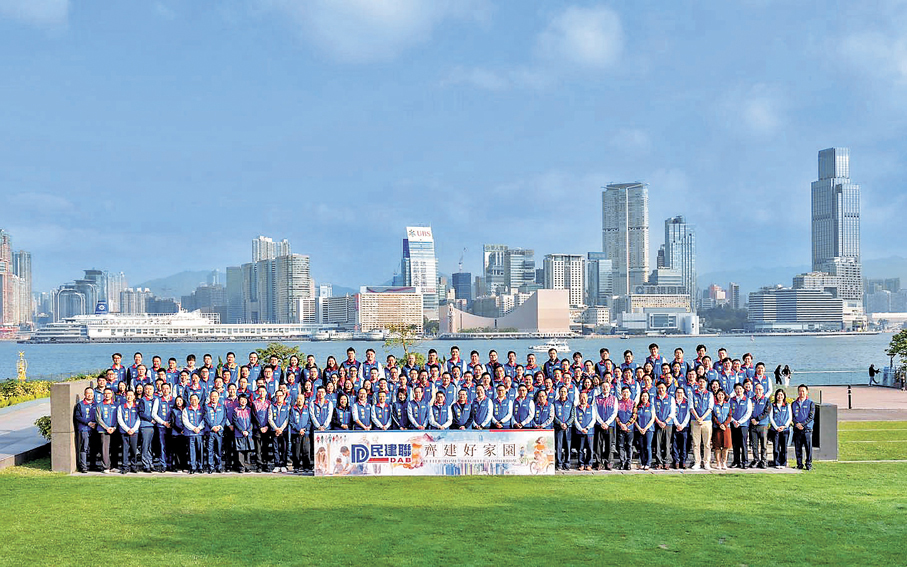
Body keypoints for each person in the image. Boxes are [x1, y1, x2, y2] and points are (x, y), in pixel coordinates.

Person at [690, 376, 714, 470]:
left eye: (703, 382)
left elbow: (710, 407)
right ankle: (697, 462)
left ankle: (706, 462)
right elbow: (691, 407)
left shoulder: (709, 394)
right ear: (697, 382)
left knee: (707, 443)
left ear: (706, 383)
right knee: (696, 443)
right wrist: (697, 418)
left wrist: (702, 418)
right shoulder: (692, 393)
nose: (701, 383)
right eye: (700, 381)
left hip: (706, 421)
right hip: (695, 421)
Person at [593, 382, 617, 470]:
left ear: (610, 387)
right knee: (598, 445)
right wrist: (601, 422)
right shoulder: (596, 398)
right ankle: (599, 462)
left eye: (607, 386)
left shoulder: (614, 399)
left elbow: (615, 412)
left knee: (609, 444)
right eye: (603, 387)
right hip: (599, 424)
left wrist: (607, 423)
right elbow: (595, 411)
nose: (605, 388)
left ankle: (608, 462)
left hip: (610, 425)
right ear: (601, 388)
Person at [652, 382, 676, 470]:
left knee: (667, 443)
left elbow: (672, 412)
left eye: (662, 388)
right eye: (659, 388)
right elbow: (653, 412)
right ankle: (659, 462)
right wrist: (658, 422)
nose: (661, 390)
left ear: (666, 388)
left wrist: (665, 422)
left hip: (668, 424)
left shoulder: (671, 398)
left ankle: (667, 462)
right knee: (657, 444)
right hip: (657, 424)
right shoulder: (654, 399)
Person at [791, 384, 815, 470]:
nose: (801, 393)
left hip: (807, 429)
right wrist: (797, 423)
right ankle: (799, 465)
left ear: (807, 392)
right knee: (798, 448)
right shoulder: (794, 403)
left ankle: (808, 464)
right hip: (797, 429)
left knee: (808, 448)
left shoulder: (811, 403)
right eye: (800, 391)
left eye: (803, 391)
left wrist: (803, 424)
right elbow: (792, 416)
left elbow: (811, 416)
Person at [94, 387, 118, 473]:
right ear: (103, 395)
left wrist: (114, 427)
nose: (107, 395)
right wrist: (107, 428)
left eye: (109, 393)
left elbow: (118, 418)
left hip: (114, 430)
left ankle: (114, 466)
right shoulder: (99, 405)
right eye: (105, 393)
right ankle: (106, 467)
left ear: (112, 394)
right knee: (105, 449)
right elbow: (98, 419)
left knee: (114, 448)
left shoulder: (116, 405)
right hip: (103, 430)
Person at [729, 383, 752, 468]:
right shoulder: (731, 400)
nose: (739, 391)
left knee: (743, 444)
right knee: (735, 444)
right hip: (734, 424)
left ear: (743, 390)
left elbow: (748, 413)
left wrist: (740, 422)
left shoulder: (747, 400)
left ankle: (745, 462)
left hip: (743, 425)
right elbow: (729, 412)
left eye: (740, 389)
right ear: (734, 391)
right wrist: (734, 421)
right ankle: (736, 461)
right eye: (737, 389)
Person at [152, 384, 174, 472]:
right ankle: (163, 465)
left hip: (172, 427)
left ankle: (170, 464)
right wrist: (164, 423)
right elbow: (154, 414)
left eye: (167, 388)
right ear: (161, 390)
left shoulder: (174, 399)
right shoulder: (158, 400)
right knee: (163, 446)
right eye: (163, 388)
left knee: (171, 446)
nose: (165, 390)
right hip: (162, 426)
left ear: (170, 389)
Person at [748, 382, 771, 468]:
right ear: (754, 390)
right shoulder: (750, 400)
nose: (758, 391)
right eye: (757, 389)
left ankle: (764, 461)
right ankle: (756, 460)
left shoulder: (767, 400)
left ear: (763, 390)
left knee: (764, 445)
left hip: (763, 425)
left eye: (760, 389)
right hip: (753, 425)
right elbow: (748, 411)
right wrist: (752, 419)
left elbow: (766, 412)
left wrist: (757, 419)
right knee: (754, 445)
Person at [73, 387, 96, 473]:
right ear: (85, 394)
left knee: (94, 448)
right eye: (88, 393)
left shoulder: (96, 404)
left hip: (94, 429)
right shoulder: (80, 404)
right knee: (84, 448)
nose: (89, 395)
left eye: (91, 393)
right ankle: (83, 467)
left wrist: (95, 424)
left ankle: (93, 466)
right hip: (84, 429)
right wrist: (88, 423)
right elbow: (77, 416)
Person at [117, 390, 140, 473]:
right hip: (124, 432)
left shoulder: (137, 407)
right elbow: (120, 419)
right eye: (128, 395)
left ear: (134, 397)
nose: (129, 397)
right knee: (125, 449)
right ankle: (125, 467)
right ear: (125, 396)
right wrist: (127, 429)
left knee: (134, 450)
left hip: (134, 432)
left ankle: (134, 466)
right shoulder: (121, 407)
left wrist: (133, 429)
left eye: (131, 395)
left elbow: (138, 419)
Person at [182, 394, 206, 474]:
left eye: (195, 399)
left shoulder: (202, 409)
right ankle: (192, 467)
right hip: (190, 433)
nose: (194, 401)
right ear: (189, 400)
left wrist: (199, 428)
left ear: (199, 400)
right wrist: (193, 428)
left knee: (200, 450)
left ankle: (200, 467)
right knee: (191, 451)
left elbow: (204, 420)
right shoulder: (186, 410)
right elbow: (185, 421)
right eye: (192, 399)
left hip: (199, 433)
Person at [136, 384, 157, 473]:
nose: (148, 391)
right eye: (147, 389)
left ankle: (150, 463)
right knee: (145, 446)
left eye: (150, 389)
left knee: (149, 447)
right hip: (146, 425)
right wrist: (151, 419)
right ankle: (145, 465)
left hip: (153, 426)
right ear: (144, 390)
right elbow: (141, 413)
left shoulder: (155, 400)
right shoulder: (142, 400)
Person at [553, 385, 575, 470]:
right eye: (561, 391)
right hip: (558, 427)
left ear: (567, 393)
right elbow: (553, 416)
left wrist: (567, 424)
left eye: (564, 392)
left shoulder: (570, 403)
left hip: (568, 428)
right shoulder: (555, 403)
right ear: (558, 393)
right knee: (559, 446)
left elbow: (573, 416)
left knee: (568, 446)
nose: (563, 393)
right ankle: (559, 463)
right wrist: (560, 423)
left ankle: (567, 463)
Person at [289, 394, 312, 473]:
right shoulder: (293, 409)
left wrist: (304, 429)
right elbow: (291, 422)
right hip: (296, 433)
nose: (300, 400)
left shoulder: (307, 409)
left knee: (306, 451)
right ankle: (296, 467)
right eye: (298, 399)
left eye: (301, 399)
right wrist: (299, 430)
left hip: (306, 433)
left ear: (304, 400)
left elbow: (309, 421)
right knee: (296, 451)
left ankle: (306, 467)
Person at [252, 386, 273, 472]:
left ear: (266, 392)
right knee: (258, 448)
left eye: (263, 391)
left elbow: (270, 416)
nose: (261, 393)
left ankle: (266, 464)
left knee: (265, 447)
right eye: (260, 391)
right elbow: (254, 416)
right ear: (257, 392)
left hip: (267, 428)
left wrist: (267, 426)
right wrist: (260, 427)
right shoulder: (254, 403)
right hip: (258, 428)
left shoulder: (269, 403)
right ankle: (259, 465)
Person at [770, 389, 792, 469]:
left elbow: (790, 418)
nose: (780, 396)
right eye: (778, 395)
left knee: (784, 447)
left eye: (781, 395)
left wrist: (784, 426)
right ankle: (776, 463)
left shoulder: (787, 405)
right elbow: (771, 417)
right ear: (776, 396)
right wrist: (776, 427)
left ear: (784, 396)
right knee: (776, 447)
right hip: (775, 430)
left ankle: (783, 463)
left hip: (785, 430)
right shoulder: (773, 405)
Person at [204, 391, 226, 473]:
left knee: (219, 450)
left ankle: (219, 466)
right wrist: (212, 427)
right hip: (210, 431)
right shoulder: (206, 406)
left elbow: (224, 418)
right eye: (212, 396)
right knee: (210, 450)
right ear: (210, 397)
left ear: (219, 397)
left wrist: (220, 426)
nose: (214, 398)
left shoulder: (222, 406)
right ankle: (210, 467)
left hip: (219, 432)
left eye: (216, 396)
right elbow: (206, 418)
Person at [615, 386, 636, 471]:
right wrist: (621, 424)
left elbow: (634, 416)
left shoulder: (633, 403)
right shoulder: (618, 402)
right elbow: (615, 415)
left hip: (629, 428)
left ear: (630, 394)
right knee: (620, 446)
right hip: (620, 428)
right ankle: (622, 462)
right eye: (624, 392)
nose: (625, 394)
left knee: (629, 445)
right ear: (621, 393)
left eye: (627, 392)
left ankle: (629, 462)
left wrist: (626, 425)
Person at [232, 395, 254, 473]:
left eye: (244, 400)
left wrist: (248, 431)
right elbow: (235, 422)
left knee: (248, 450)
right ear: (238, 401)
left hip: (248, 433)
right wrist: (242, 431)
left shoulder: (249, 410)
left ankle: (248, 466)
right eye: (241, 400)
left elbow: (252, 421)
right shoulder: (235, 410)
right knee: (240, 451)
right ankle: (241, 467)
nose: (243, 401)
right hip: (239, 433)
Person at [711, 389, 732, 470]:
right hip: (717, 428)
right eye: (719, 395)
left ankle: (724, 462)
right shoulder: (714, 405)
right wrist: (719, 424)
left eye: (722, 395)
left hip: (726, 428)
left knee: (726, 446)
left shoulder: (728, 404)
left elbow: (730, 416)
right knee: (717, 447)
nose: (720, 396)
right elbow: (713, 416)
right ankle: (718, 463)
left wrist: (725, 424)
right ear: (716, 396)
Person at [574, 391, 595, 471]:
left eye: (584, 397)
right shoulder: (576, 408)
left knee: (590, 449)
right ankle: (581, 464)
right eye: (581, 397)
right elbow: (575, 420)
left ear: (587, 398)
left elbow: (593, 419)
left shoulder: (592, 407)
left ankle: (589, 464)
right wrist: (581, 429)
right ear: (579, 399)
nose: (583, 399)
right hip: (580, 432)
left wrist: (587, 428)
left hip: (589, 432)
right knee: (580, 449)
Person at [634, 391, 655, 470]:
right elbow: (634, 419)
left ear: (648, 397)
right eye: (643, 396)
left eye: (646, 396)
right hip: (639, 429)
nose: (644, 398)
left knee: (648, 446)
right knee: (641, 447)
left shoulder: (651, 406)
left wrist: (646, 428)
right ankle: (642, 463)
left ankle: (648, 463)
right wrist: (639, 428)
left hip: (649, 430)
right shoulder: (637, 407)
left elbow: (652, 418)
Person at [672, 387, 691, 469]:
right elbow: (672, 414)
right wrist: (677, 424)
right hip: (675, 426)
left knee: (684, 445)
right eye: (678, 392)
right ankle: (676, 461)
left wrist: (682, 425)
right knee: (674, 445)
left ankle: (683, 461)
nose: (679, 394)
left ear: (683, 394)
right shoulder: (673, 402)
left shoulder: (687, 402)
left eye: (681, 393)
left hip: (685, 427)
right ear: (675, 393)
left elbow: (688, 415)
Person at [169, 396, 187, 472]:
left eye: (180, 400)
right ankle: (177, 466)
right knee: (176, 451)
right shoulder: (173, 410)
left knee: (184, 451)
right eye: (177, 401)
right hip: (176, 433)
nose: (179, 402)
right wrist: (180, 430)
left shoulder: (186, 410)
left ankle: (184, 466)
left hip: (185, 433)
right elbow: (172, 422)